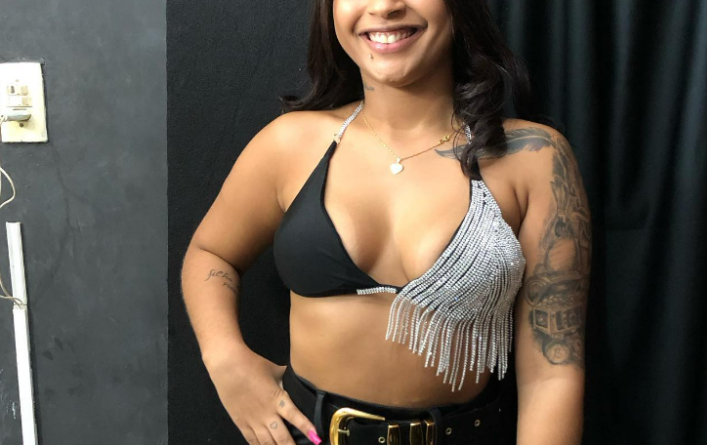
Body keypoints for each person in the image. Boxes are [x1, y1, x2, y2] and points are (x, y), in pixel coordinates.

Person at [180, 0, 592, 444]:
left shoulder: (534, 159)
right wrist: (226, 359)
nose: (385, 6)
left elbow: (551, 375)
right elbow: (211, 252)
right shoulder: (289, 144)